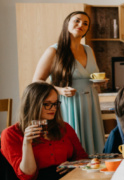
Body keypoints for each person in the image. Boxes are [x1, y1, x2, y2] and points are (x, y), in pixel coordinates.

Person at [32, 11, 105, 152]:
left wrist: (98, 83)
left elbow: (91, 76)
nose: (81, 25)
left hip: (91, 102)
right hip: (69, 103)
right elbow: (36, 81)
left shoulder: (89, 50)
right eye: (77, 21)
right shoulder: (54, 51)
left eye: (85, 23)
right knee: (74, 142)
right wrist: (59, 90)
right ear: (67, 24)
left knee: (94, 143)